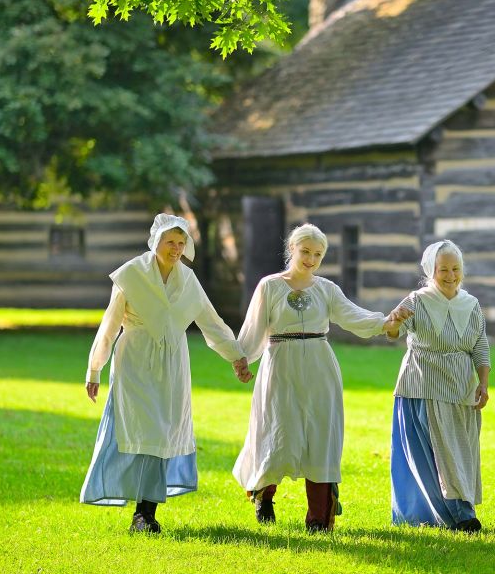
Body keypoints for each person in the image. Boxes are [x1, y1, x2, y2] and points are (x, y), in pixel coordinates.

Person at [81, 213, 252, 534]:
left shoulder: (188, 280)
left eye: (180, 243)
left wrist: (236, 356)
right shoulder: (131, 275)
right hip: (135, 362)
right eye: (169, 242)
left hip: (173, 364)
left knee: (162, 433)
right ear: (155, 242)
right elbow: (109, 326)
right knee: (143, 432)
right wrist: (94, 368)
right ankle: (142, 514)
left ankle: (145, 512)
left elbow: (211, 323)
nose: (175, 248)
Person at [233, 223, 396, 532]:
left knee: (321, 438)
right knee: (278, 433)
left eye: (317, 254)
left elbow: (353, 316)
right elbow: (253, 328)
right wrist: (241, 359)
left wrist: (384, 322)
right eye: (305, 251)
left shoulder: (326, 289)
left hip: (320, 366)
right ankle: (264, 497)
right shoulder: (270, 286)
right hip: (281, 364)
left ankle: (319, 518)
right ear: (292, 249)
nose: (310, 259)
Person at [384, 240, 490, 532]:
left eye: (455, 269)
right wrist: (394, 321)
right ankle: (460, 514)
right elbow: (393, 331)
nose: (450, 275)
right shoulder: (417, 300)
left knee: (460, 450)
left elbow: (480, 344)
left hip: (460, 386)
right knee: (437, 451)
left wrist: (483, 382)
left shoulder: (471, 304)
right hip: (422, 385)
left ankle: (460, 508)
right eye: (443, 269)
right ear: (431, 270)